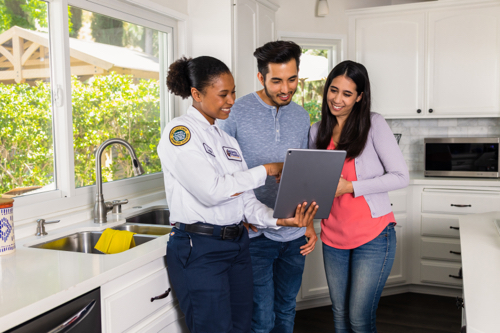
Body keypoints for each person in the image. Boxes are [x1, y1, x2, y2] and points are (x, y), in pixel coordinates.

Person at [157, 55, 318, 333]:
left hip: (237, 246)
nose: (231, 100)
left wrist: (282, 220)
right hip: (200, 248)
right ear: (196, 94)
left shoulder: (227, 140)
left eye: (232, 92)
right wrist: (266, 169)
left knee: (243, 326)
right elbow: (212, 191)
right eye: (223, 94)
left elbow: (246, 201)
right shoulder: (180, 133)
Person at [219, 41, 315, 333]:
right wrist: (238, 214)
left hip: (295, 232)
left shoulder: (301, 116)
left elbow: (304, 174)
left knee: (286, 309)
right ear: (261, 77)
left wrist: (309, 223)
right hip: (255, 233)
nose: (286, 89)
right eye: (276, 81)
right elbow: (222, 170)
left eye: (292, 79)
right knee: (261, 317)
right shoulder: (235, 112)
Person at [308, 60, 409, 333]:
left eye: (347, 93)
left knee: (359, 318)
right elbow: (313, 184)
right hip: (333, 236)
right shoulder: (316, 131)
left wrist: (350, 187)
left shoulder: (373, 124)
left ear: (360, 96)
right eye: (333, 90)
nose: (337, 99)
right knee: (339, 316)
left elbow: (401, 176)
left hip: (374, 236)